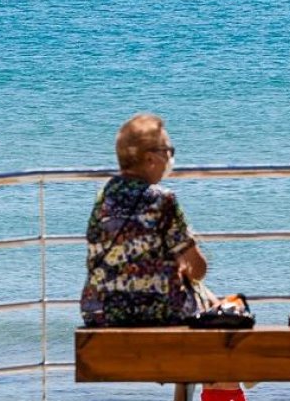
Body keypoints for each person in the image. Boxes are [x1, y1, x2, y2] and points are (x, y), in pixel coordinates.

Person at [79, 112, 220, 327]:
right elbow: (197, 268)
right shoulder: (162, 200)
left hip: (101, 312)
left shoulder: (103, 197)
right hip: (158, 313)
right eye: (167, 151)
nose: (170, 158)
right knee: (213, 304)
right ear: (149, 158)